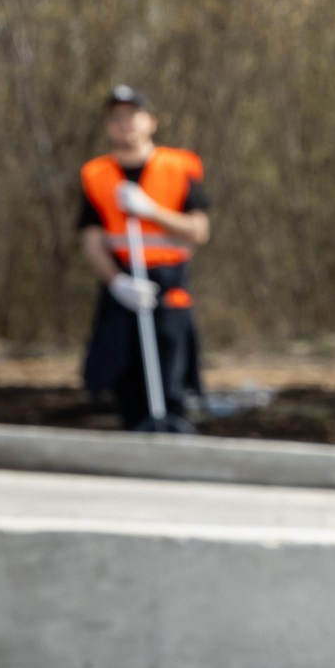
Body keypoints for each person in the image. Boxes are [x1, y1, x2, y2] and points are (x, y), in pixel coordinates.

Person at [78, 85, 210, 432]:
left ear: (150, 121)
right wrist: (117, 282)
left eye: (131, 116)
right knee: (123, 375)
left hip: (169, 284)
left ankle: (173, 433)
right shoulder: (96, 175)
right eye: (115, 118)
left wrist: (149, 210)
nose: (124, 125)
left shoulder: (180, 166)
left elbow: (198, 230)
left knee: (172, 370)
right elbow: (91, 239)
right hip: (122, 283)